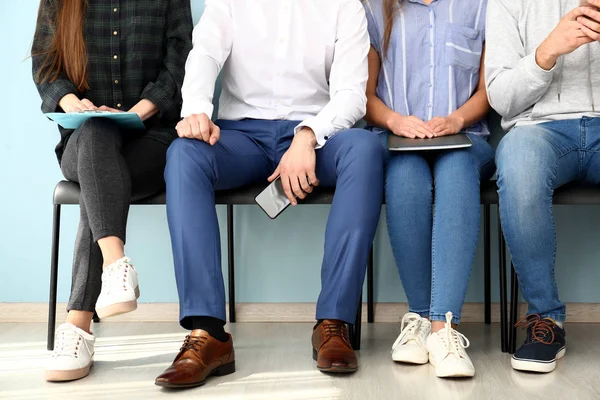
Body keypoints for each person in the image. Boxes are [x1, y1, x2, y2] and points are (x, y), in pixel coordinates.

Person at [154, 0, 384, 388]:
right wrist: (196, 110)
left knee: (365, 149)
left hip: (315, 136)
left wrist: (308, 135)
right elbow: (205, 52)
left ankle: (333, 323)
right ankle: (207, 334)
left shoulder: (345, 6)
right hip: (241, 135)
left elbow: (351, 95)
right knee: (183, 156)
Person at [32, 0, 192, 382]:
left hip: (151, 138)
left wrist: (139, 111)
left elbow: (179, 61)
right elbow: (45, 66)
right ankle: (116, 264)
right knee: (97, 134)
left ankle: (78, 327)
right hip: (83, 138)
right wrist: (76, 104)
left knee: (98, 184)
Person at [363, 0, 495, 378]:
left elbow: (488, 91)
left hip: (466, 140)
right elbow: (366, 97)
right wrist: (396, 121)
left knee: (455, 169)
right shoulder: (374, 8)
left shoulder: (480, 6)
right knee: (405, 176)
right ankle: (419, 319)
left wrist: (456, 119)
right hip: (400, 143)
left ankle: (443, 329)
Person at [487, 0, 600, 373]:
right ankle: (546, 321)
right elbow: (501, 98)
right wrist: (546, 52)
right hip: (540, 130)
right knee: (518, 161)